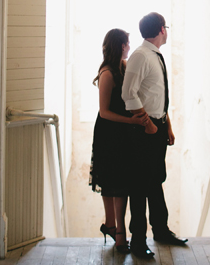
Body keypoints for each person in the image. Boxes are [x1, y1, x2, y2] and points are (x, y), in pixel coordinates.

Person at [122, 12, 188, 259]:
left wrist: (166, 126)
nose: (167, 31)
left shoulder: (154, 55)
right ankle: (138, 241)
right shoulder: (141, 56)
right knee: (140, 186)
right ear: (162, 29)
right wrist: (149, 124)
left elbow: (156, 97)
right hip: (143, 131)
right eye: (166, 27)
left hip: (157, 128)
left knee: (155, 181)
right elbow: (129, 94)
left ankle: (161, 230)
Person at [89, 28, 150, 253]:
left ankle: (112, 226)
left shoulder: (122, 67)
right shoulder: (107, 73)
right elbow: (104, 112)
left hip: (121, 132)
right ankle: (119, 232)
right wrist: (131, 121)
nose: (129, 46)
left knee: (118, 181)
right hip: (109, 133)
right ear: (118, 46)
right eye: (126, 43)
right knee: (113, 181)